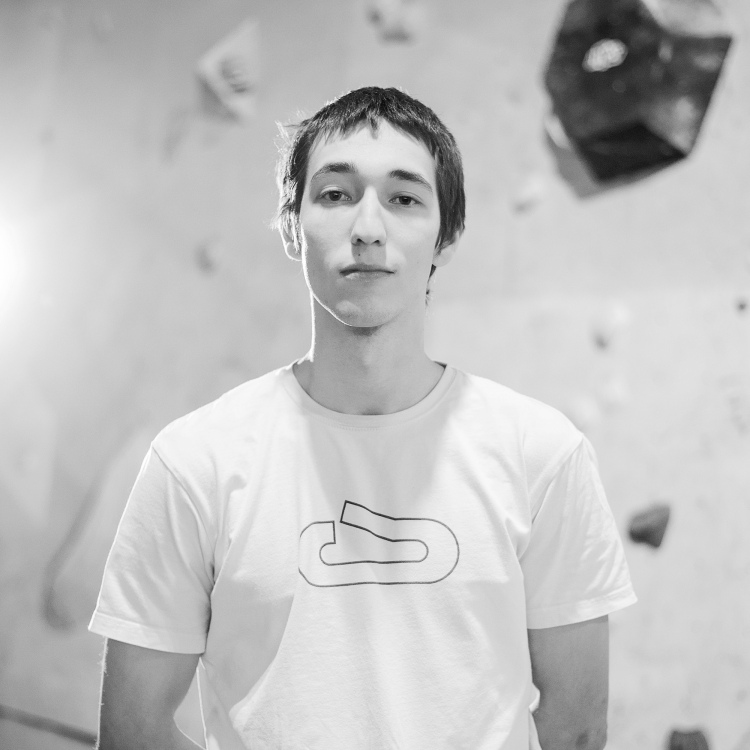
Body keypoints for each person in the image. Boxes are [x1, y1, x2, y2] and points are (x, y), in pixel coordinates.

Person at [89, 86, 637, 750]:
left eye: (404, 199)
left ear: (447, 236)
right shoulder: (195, 461)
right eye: (335, 194)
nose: (369, 227)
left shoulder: (541, 455)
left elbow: (576, 728)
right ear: (291, 226)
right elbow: (134, 730)